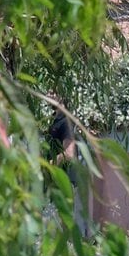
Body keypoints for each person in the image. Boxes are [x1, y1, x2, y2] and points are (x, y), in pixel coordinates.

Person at [46, 101, 92, 238]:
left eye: (54, 90)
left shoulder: (66, 121)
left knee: (66, 220)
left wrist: (47, 164)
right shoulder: (54, 120)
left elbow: (70, 153)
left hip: (67, 178)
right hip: (58, 178)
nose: (48, 93)